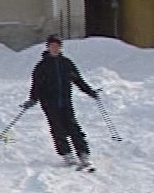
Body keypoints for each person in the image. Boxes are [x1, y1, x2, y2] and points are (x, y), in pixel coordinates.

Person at [24, 34, 101, 168]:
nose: (55, 48)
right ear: (48, 48)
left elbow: (78, 80)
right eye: (52, 46)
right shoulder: (42, 66)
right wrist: (33, 98)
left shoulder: (66, 63)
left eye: (57, 46)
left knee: (73, 126)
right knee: (57, 127)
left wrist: (90, 91)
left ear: (61, 47)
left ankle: (83, 153)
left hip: (65, 100)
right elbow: (36, 84)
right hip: (49, 102)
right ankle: (66, 154)